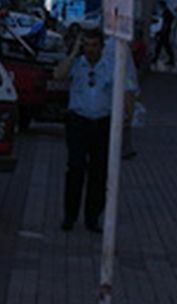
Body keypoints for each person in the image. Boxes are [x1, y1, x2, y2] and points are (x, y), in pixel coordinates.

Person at [58, 27, 137, 233]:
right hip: (78, 122)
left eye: (94, 46)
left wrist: (129, 107)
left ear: (102, 47)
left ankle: (92, 218)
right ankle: (69, 216)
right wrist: (74, 52)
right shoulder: (77, 64)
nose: (90, 50)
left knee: (99, 172)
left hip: (102, 123)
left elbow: (128, 83)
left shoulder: (111, 66)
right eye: (86, 45)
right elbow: (59, 74)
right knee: (75, 168)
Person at [152, 1, 176, 68]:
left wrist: (161, 31)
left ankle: (171, 59)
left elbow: (166, 23)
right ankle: (156, 58)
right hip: (164, 32)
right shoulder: (166, 12)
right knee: (160, 46)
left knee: (165, 46)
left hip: (164, 32)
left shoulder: (167, 13)